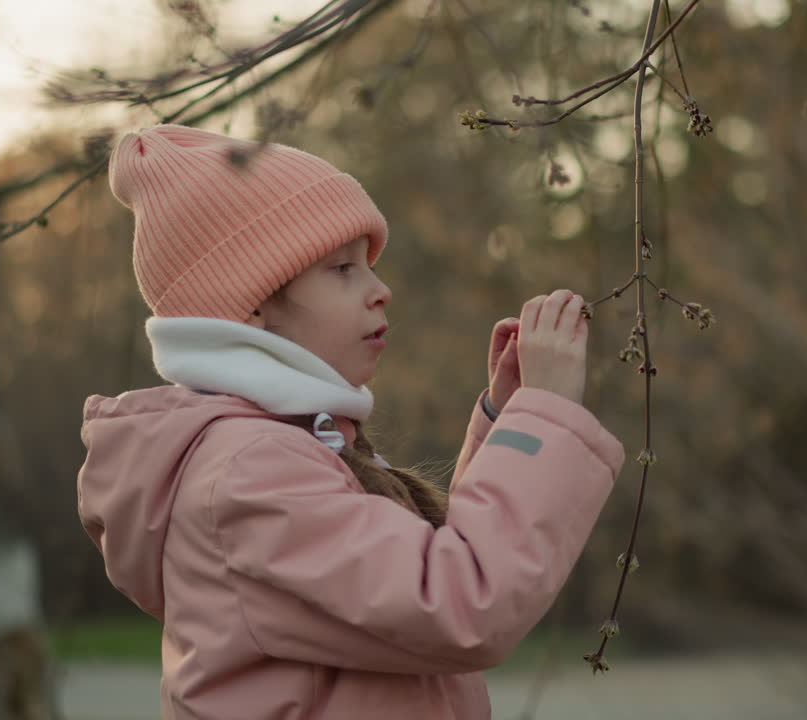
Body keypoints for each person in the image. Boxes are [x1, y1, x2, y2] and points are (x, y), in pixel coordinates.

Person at [76, 124, 625, 719]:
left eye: (368, 265)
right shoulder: (249, 472)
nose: (380, 289)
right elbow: (460, 603)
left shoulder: (290, 450)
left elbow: (429, 568)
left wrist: (507, 418)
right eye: (342, 269)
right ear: (252, 304)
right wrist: (544, 416)